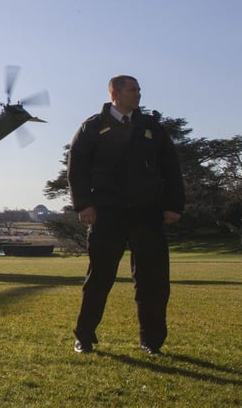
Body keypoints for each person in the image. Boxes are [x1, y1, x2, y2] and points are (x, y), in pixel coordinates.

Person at [66, 75, 184, 356]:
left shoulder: (152, 127)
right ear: (114, 93)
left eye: (139, 90)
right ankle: (84, 337)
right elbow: (77, 169)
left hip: (148, 214)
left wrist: (173, 205)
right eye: (133, 90)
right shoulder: (92, 127)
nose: (139, 94)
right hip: (107, 214)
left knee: (153, 282)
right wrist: (83, 205)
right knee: (99, 279)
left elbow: (171, 168)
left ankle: (152, 342)